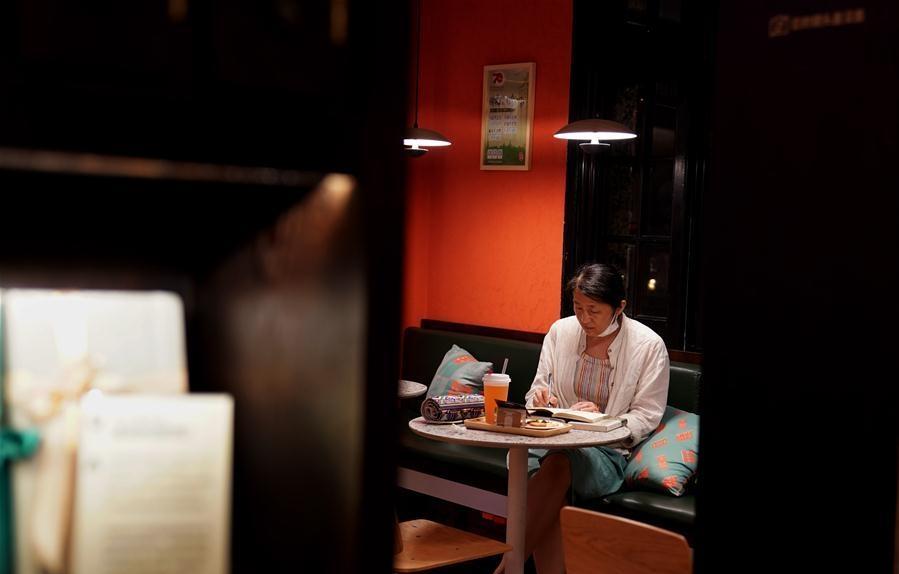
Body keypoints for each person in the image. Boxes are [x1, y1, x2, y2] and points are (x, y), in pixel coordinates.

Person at [494, 263, 669, 574]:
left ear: (619, 308)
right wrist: (541, 400)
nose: (584, 319)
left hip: (606, 451)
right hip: (548, 438)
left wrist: (602, 419)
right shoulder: (561, 331)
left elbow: (646, 415)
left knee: (559, 464)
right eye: (578, 307)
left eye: (594, 310)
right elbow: (538, 387)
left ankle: (509, 565)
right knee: (546, 470)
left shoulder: (648, 346)